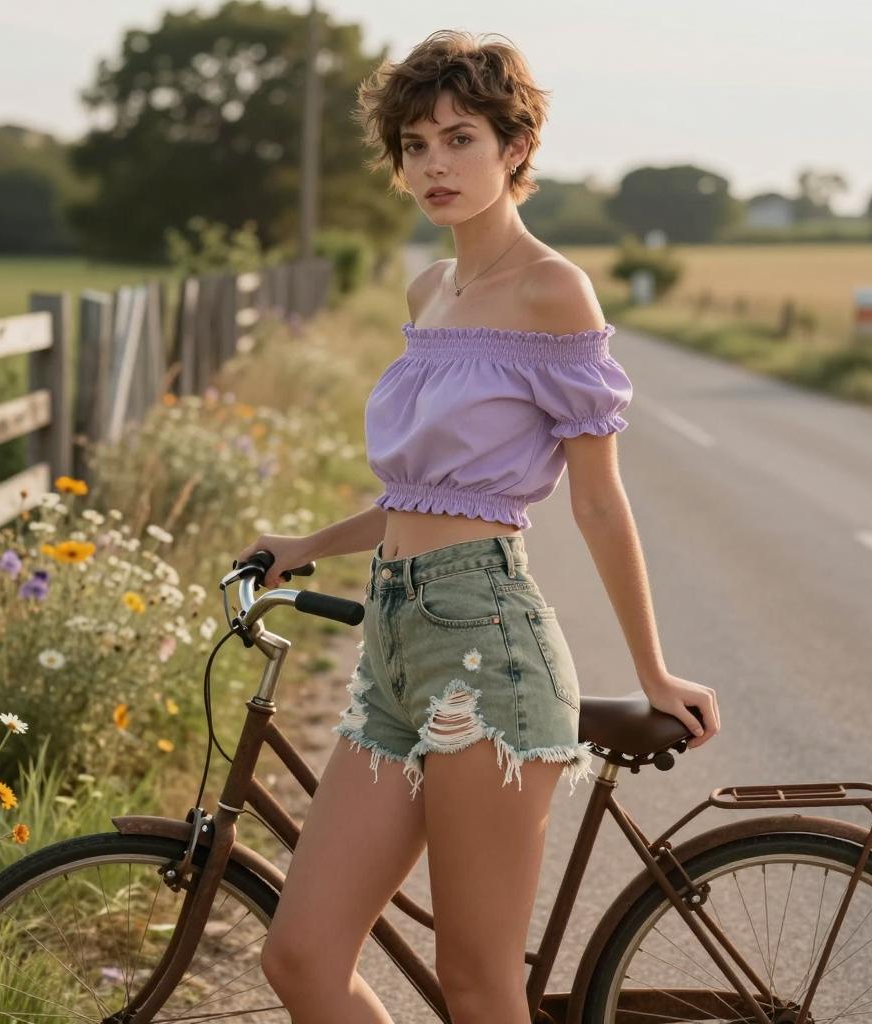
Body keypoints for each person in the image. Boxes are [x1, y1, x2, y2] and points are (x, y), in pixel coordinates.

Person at [241, 29, 720, 1024]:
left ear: (513, 148)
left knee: (477, 986)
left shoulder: (553, 291)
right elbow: (424, 495)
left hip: (486, 646)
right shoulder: (429, 291)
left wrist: (653, 664)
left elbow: (595, 500)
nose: (433, 166)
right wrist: (302, 547)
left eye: (459, 138)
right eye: (414, 146)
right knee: (301, 955)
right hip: (395, 642)